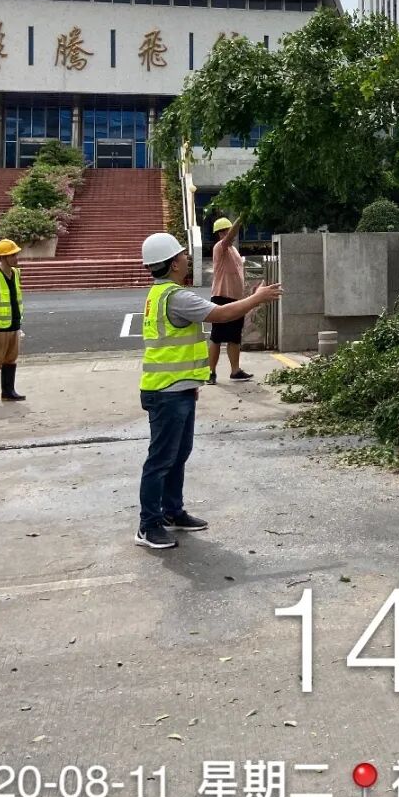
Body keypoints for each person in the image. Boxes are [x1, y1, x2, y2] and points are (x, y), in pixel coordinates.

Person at [136, 231, 282, 551]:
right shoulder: (175, 296)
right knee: (161, 460)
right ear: (173, 263)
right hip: (166, 392)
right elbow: (220, 314)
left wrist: (191, 384)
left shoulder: (160, 293)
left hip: (176, 388)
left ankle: (172, 511)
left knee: (177, 455)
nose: (187, 258)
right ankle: (148, 525)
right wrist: (257, 298)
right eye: (182, 255)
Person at [207, 215, 253, 385]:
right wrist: (241, 218)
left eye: (226, 231)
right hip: (221, 297)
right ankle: (211, 372)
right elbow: (230, 237)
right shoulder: (220, 247)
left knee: (234, 337)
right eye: (223, 232)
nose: (226, 234)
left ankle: (235, 371)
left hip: (236, 298)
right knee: (217, 337)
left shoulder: (234, 250)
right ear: (219, 234)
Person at [0, 238, 26, 407]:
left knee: (10, 359)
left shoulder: (16, 273)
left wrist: (19, 325)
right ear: (3, 257)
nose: (16, 258)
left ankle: (8, 392)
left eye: (16, 254)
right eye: (12, 255)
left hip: (14, 324)